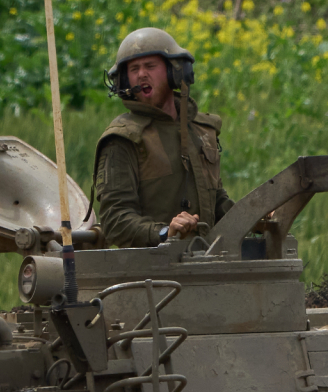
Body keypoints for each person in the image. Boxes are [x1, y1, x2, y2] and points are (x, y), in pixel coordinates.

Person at [93, 27, 236, 247]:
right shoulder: (123, 139)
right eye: (134, 69)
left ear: (174, 72)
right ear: (124, 80)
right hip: (151, 271)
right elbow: (115, 221)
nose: (142, 74)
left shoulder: (200, 130)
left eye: (150, 66)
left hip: (207, 264)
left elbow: (216, 201)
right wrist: (164, 232)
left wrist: (256, 214)